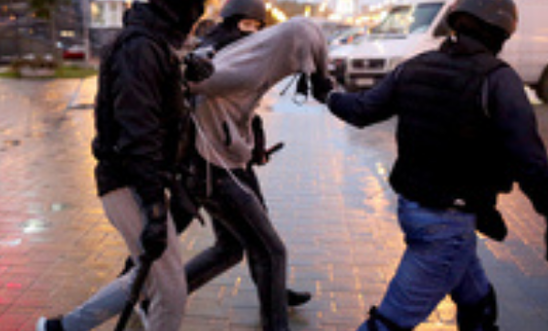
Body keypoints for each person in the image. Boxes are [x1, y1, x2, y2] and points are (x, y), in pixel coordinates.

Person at [312, 0, 548, 330]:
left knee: (479, 305)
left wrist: (327, 95)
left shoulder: (415, 66)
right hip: (447, 228)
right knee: (388, 325)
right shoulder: (499, 79)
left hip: (414, 210)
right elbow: (531, 161)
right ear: (500, 32)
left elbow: (362, 109)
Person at [35, 0, 213, 330]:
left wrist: (185, 75)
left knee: (147, 279)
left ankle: (64, 328)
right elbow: (138, 134)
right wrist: (155, 209)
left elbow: (161, 109)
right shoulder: (140, 48)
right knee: (171, 291)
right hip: (127, 180)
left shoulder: (154, 42)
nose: (195, 15)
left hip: (141, 179)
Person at [184, 16, 329, 331]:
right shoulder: (248, 63)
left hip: (227, 160)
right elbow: (192, 82)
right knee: (270, 250)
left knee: (233, 246)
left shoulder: (253, 53)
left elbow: (243, 109)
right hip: (212, 167)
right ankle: (275, 321)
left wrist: (253, 144)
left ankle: (160, 296)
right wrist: (186, 68)